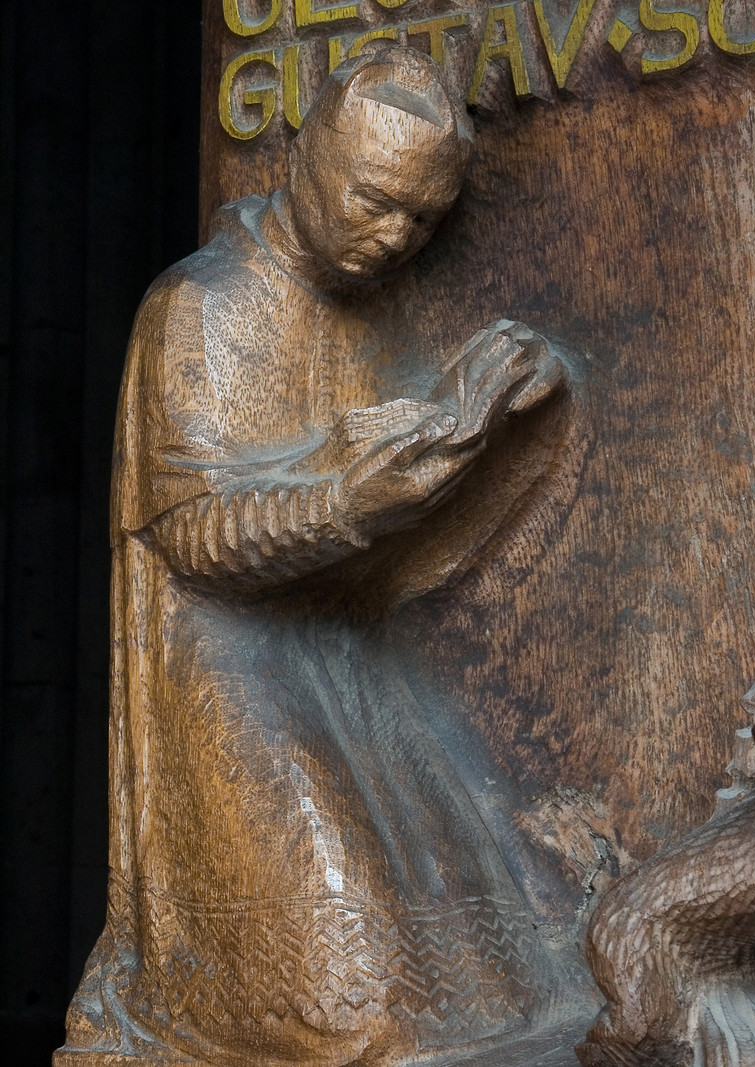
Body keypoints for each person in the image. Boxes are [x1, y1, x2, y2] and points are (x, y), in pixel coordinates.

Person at [56, 47, 585, 1067]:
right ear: (303, 159)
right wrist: (350, 500)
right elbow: (195, 537)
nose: (392, 237)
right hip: (227, 658)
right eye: (374, 201)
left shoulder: (373, 307)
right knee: (354, 1008)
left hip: (342, 648)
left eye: (421, 221)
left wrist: (482, 421)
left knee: (493, 977)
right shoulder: (203, 306)